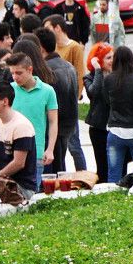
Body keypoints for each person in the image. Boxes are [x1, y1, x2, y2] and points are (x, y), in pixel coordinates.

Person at [6, 51, 57, 189]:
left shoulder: (48, 91)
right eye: (12, 73)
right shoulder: (9, 90)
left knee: (32, 193)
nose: (15, 77)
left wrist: (50, 149)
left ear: (30, 70)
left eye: (19, 73)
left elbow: (53, 122)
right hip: (11, 153)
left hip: (36, 152)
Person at [103, 46, 133, 183]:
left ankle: (112, 201)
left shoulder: (108, 80)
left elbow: (107, 102)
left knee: (113, 174)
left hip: (114, 131)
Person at [37, 27, 79, 173]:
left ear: (40, 48)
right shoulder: (69, 66)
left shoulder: (46, 70)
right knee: (60, 163)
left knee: (54, 167)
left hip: (55, 125)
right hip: (69, 123)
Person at [85, 45, 114, 183]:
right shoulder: (89, 77)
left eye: (113, 57)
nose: (112, 60)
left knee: (116, 162)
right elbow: (93, 93)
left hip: (116, 126)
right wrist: (97, 70)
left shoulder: (117, 74)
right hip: (99, 127)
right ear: (98, 60)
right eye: (108, 58)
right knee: (102, 164)